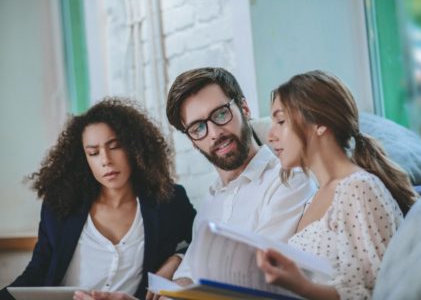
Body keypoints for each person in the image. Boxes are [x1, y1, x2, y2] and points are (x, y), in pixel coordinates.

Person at [73, 67, 316, 300]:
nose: (214, 133)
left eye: (221, 114)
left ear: (244, 107)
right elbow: (183, 287)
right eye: (198, 127)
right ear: (191, 140)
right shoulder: (209, 206)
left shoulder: (287, 179)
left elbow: (258, 282)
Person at [0, 98, 196, 300]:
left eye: (115, 146)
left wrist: (176, 259)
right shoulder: (60, 205)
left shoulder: (168, 201)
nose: (105, 160)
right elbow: (36, 273)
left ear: (134, 148)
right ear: (84, 159)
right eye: (93, 153)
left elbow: (201, 243)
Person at [256, 70, 417, 300]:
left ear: (319, 123)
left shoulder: (359, 189)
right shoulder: (317, 195)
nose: (270, 135)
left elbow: (378, 293)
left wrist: (301, 286)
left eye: (280, 121)